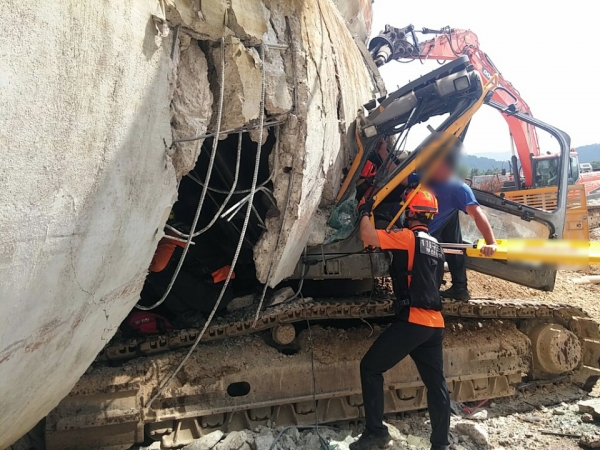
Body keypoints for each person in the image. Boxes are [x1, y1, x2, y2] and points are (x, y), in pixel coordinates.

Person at [350, 189, 450, 450]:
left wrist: (364, 211)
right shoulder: (437, 246)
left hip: (413, 321)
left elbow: (368, 236)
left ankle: (376, 433)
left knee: (371, 368)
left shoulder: (408, 238)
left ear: (410, 213)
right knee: (436, 385)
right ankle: (440, 445)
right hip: (435, 324)